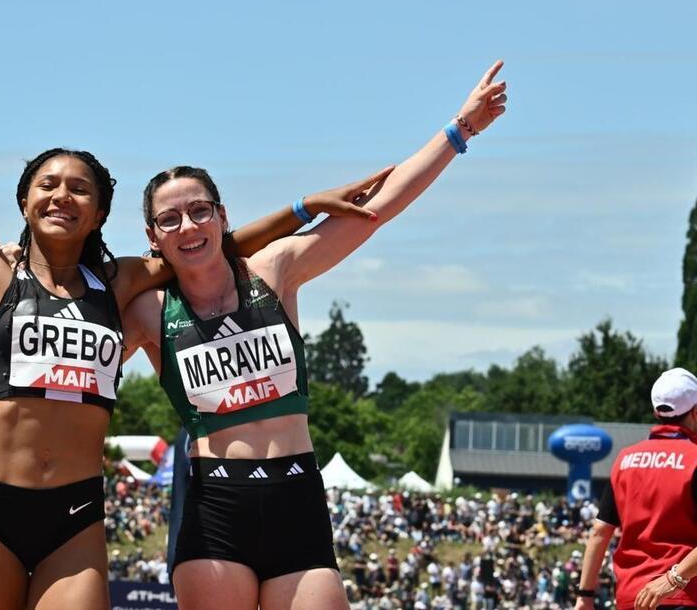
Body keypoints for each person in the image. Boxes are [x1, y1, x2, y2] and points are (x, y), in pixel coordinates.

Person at [0, 0, 390, 609]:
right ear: (25, 201)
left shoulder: (121, 284)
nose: (61, 196)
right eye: (47, 185)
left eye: (79, 188)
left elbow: (207, 245)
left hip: (75, 515)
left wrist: (302, 208)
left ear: (99, 212)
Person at [123, 61, 507, 610]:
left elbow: (377, 208)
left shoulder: (274, 270)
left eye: (199, 211)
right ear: (153, 237)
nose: (188, 227)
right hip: (215, 507)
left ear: (221, 216)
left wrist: (460, 130)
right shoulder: (148, 311)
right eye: (170, 220)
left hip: (296, 497)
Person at [575, 367, 697, 610]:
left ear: (656, 411)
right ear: (695, 412)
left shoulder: (625, 459)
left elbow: (600, 532)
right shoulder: (695, 459)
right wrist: (673, 579)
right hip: (686, 596)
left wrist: (584, 595)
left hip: (633, 597)